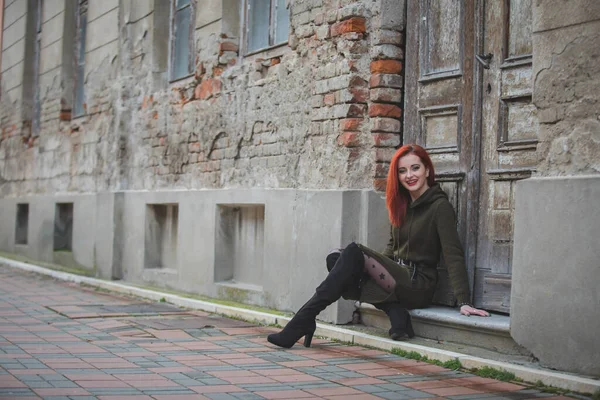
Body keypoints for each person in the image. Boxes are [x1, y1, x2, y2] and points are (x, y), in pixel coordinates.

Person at [267, 144, 489, 349]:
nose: (409, 175)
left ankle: (302, 320)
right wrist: (371, 270)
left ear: (427, 171)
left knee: (353, 252)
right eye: (403, 171)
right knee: (336, 261)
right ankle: (397, 314)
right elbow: (391, 248)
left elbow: (453, 253)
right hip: (396, 276)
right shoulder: (401, 205)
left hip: (418, 283)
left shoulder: (440, 207)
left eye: (415, 168)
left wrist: (464, 300)